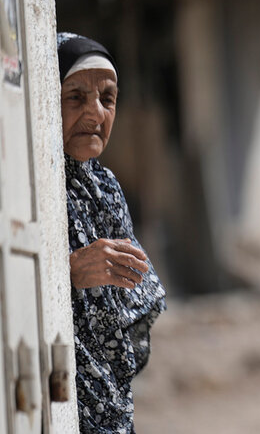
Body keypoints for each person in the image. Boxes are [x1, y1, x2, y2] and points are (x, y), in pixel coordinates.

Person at [58, 32, 166, 434]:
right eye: (75, 97)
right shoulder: (26, 189)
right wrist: (66, 274)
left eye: (107, 98)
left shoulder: (106, 189)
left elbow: (132, 304)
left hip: (111, 404)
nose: (95, 114)